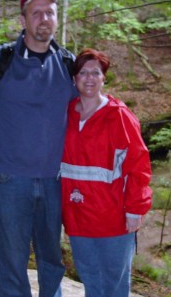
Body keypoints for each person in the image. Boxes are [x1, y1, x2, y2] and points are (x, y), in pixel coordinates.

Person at [0, 0, 77, 297]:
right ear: (23, 19)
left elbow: (84, 119)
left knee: (52, 260)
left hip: (55, 180)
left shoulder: (68, 64)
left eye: (49, 13)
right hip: (10, 180)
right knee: (11, 263)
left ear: (57, 18)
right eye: (36, 12)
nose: (44, 19)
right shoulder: (0, 61)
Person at [60, 48, 153, 297]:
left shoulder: (119, 116)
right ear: (74, 79)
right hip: (77, 216)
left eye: (96, 73)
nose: (89, 78)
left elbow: (139, 165)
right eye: (83, 73)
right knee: (90, 279)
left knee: (114, 285)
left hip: (113, 217)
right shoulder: (65, 114)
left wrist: (135, 209)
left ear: (104, 78)